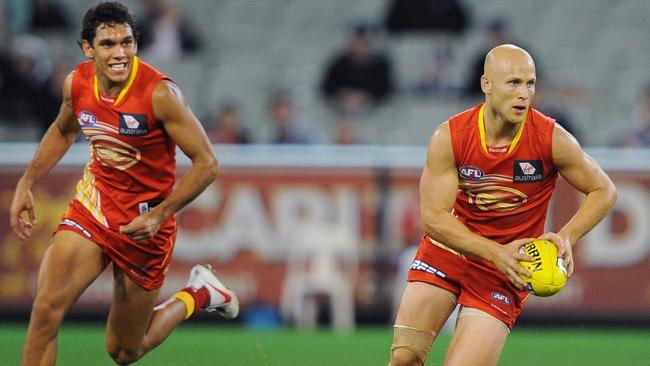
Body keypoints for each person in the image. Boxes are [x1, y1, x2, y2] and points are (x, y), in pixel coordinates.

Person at [9, 3, 238, 365]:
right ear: (87, 48)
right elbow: (63, 130)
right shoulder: (77, 82)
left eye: (127, 42)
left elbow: (207, 163)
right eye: (108, 44)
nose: (120, 53)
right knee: (45, 311)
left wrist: (160, 214)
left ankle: (199, 293)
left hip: (143, 227)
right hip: (93, 208)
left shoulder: (159, 94)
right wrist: (27, 181)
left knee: (124, 351)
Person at [388, 44, 617, 366]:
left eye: (530, 83)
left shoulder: (552, 139)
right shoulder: (450, 136)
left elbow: (604, 190)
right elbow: (433, 219)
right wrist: (496, 251)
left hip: (503, 274)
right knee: (404, 358)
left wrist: (567, 236)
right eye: (514, 83)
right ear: (487, 84)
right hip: (448, 252)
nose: (524, 94)